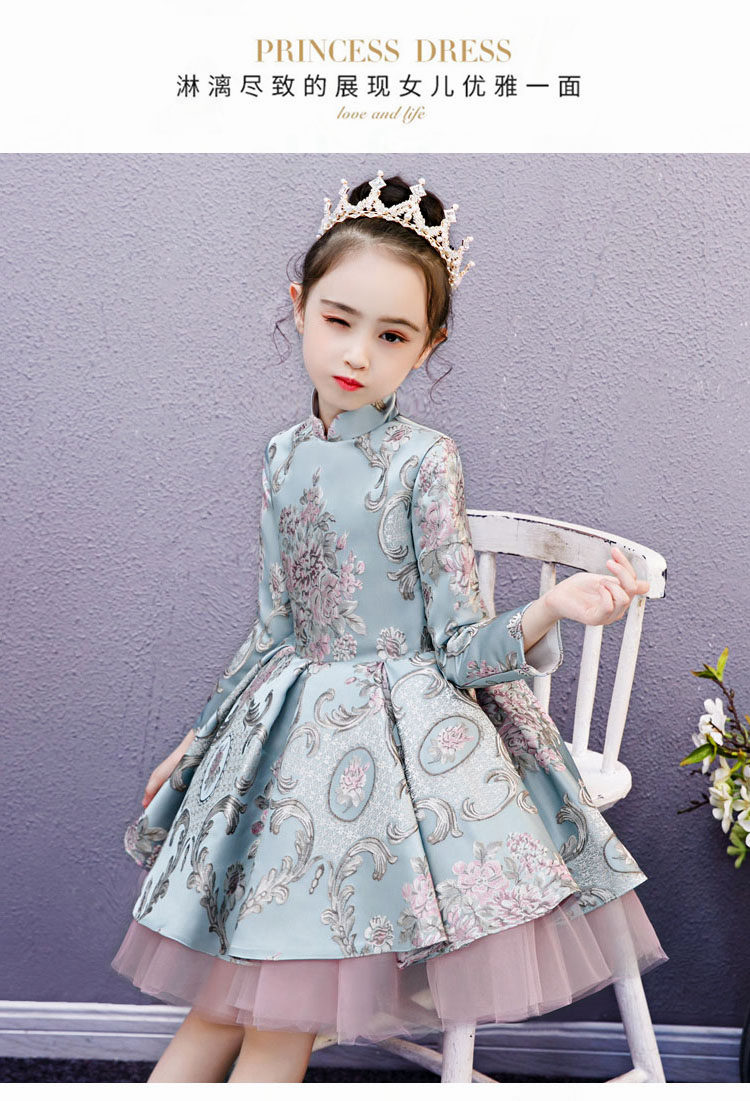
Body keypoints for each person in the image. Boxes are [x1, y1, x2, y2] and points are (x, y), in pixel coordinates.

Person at [111, 171, 668, 1083]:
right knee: (219, 1006)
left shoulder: (424, 461)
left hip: (386, 755)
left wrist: (551, 607)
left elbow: (460, 646)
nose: (358, 353)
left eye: (393, 334)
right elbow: (272, 628)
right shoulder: (283, 458)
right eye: (339, 319)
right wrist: (198, 739)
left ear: (428, 345)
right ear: (299, 306)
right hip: (285, 738)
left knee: (272, 1014)